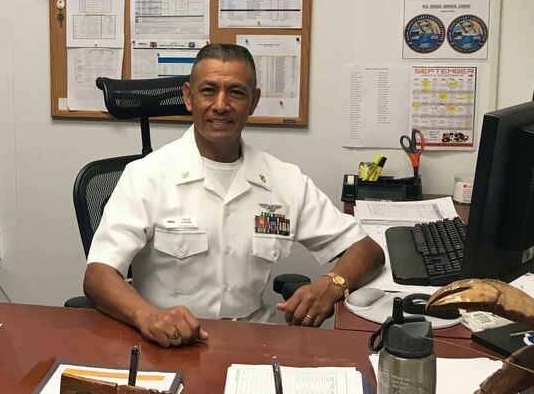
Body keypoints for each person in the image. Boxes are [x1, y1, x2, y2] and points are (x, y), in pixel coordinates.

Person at [84, 44, 384, 348]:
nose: (221, 105)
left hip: (252, 341)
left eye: (236, 93)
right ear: (188, 96)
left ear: (253, 101)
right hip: (165, 343)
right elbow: (98, 275)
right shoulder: (146, 176)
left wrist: (332, 285)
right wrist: (148, 317)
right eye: (208, 90)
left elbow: (367, 251)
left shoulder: (284, 181)